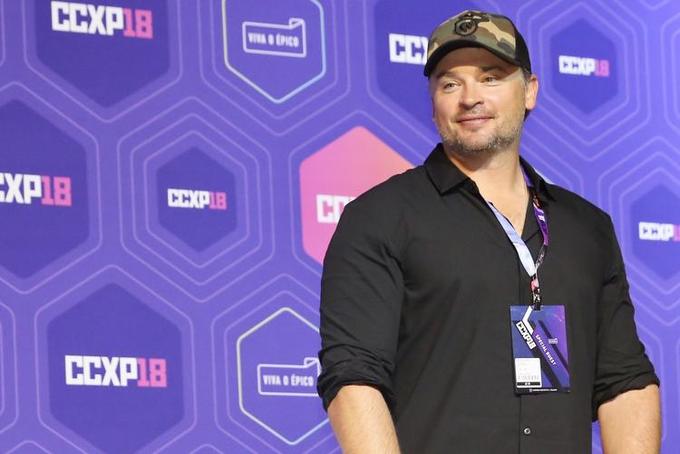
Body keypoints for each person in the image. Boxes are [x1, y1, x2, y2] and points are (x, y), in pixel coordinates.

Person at [316, 9, 661, 454]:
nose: (469, 98)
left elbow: (625, 381)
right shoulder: (379, 216)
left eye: (491, 77)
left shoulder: (586, 228)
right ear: (433, 100)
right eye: (449, 83)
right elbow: (353, 377)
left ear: (530, 91)